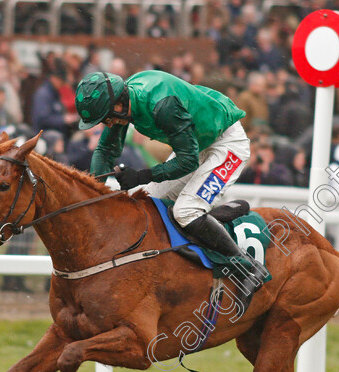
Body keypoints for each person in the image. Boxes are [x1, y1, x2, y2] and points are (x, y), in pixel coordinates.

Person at [74, 70, 268, 310]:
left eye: (106, 118)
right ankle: (209, 221)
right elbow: (105, 151)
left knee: (185, 212)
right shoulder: (124, 101)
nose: (107, 124)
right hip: (195, 142)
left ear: (119, 105)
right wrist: (94, 198)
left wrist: (141, 175)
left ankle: (246, 267)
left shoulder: (161, 105)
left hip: (225, 143)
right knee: (147, 202)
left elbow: (187, 162)